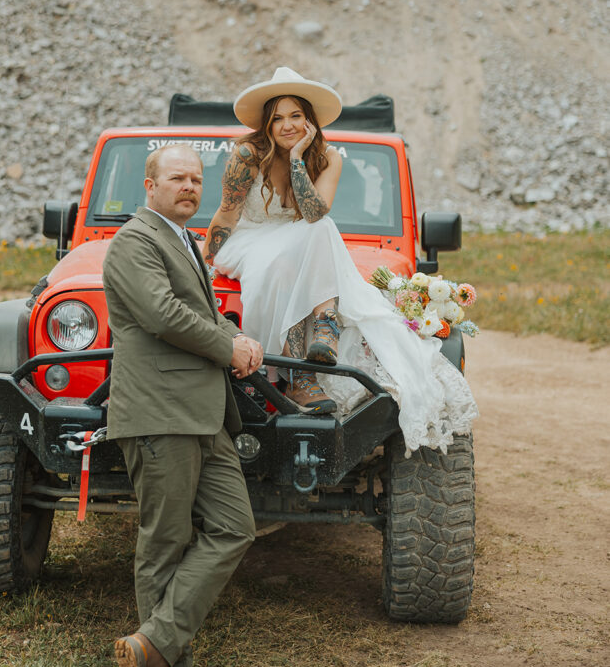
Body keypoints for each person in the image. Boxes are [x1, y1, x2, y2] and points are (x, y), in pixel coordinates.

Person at [202, 66, 478, 453]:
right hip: (248, 237)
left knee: (320, 229)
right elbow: (228, 213)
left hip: (298, 238)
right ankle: (309, 352)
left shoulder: (328, 158)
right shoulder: (248, 154)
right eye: (277, 118)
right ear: (266, 123)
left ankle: (308, 357)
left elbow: (315, 213)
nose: (286, 125)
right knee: (284, 259)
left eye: (295, 115)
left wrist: (298, 158)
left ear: (310, 121)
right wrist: (199, 265)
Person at [103, 144, 263, 667]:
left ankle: (152, 645)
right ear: (150, 186)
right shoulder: (133, 241)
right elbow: (162, 314)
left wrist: (234, 342)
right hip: (158, 411)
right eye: (176, 178)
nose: (189, 187)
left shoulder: (187, 242)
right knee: (165, 543)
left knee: (235, 528)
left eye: (196, 179)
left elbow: (199, 315)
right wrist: (229, 345)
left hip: (204, 414)